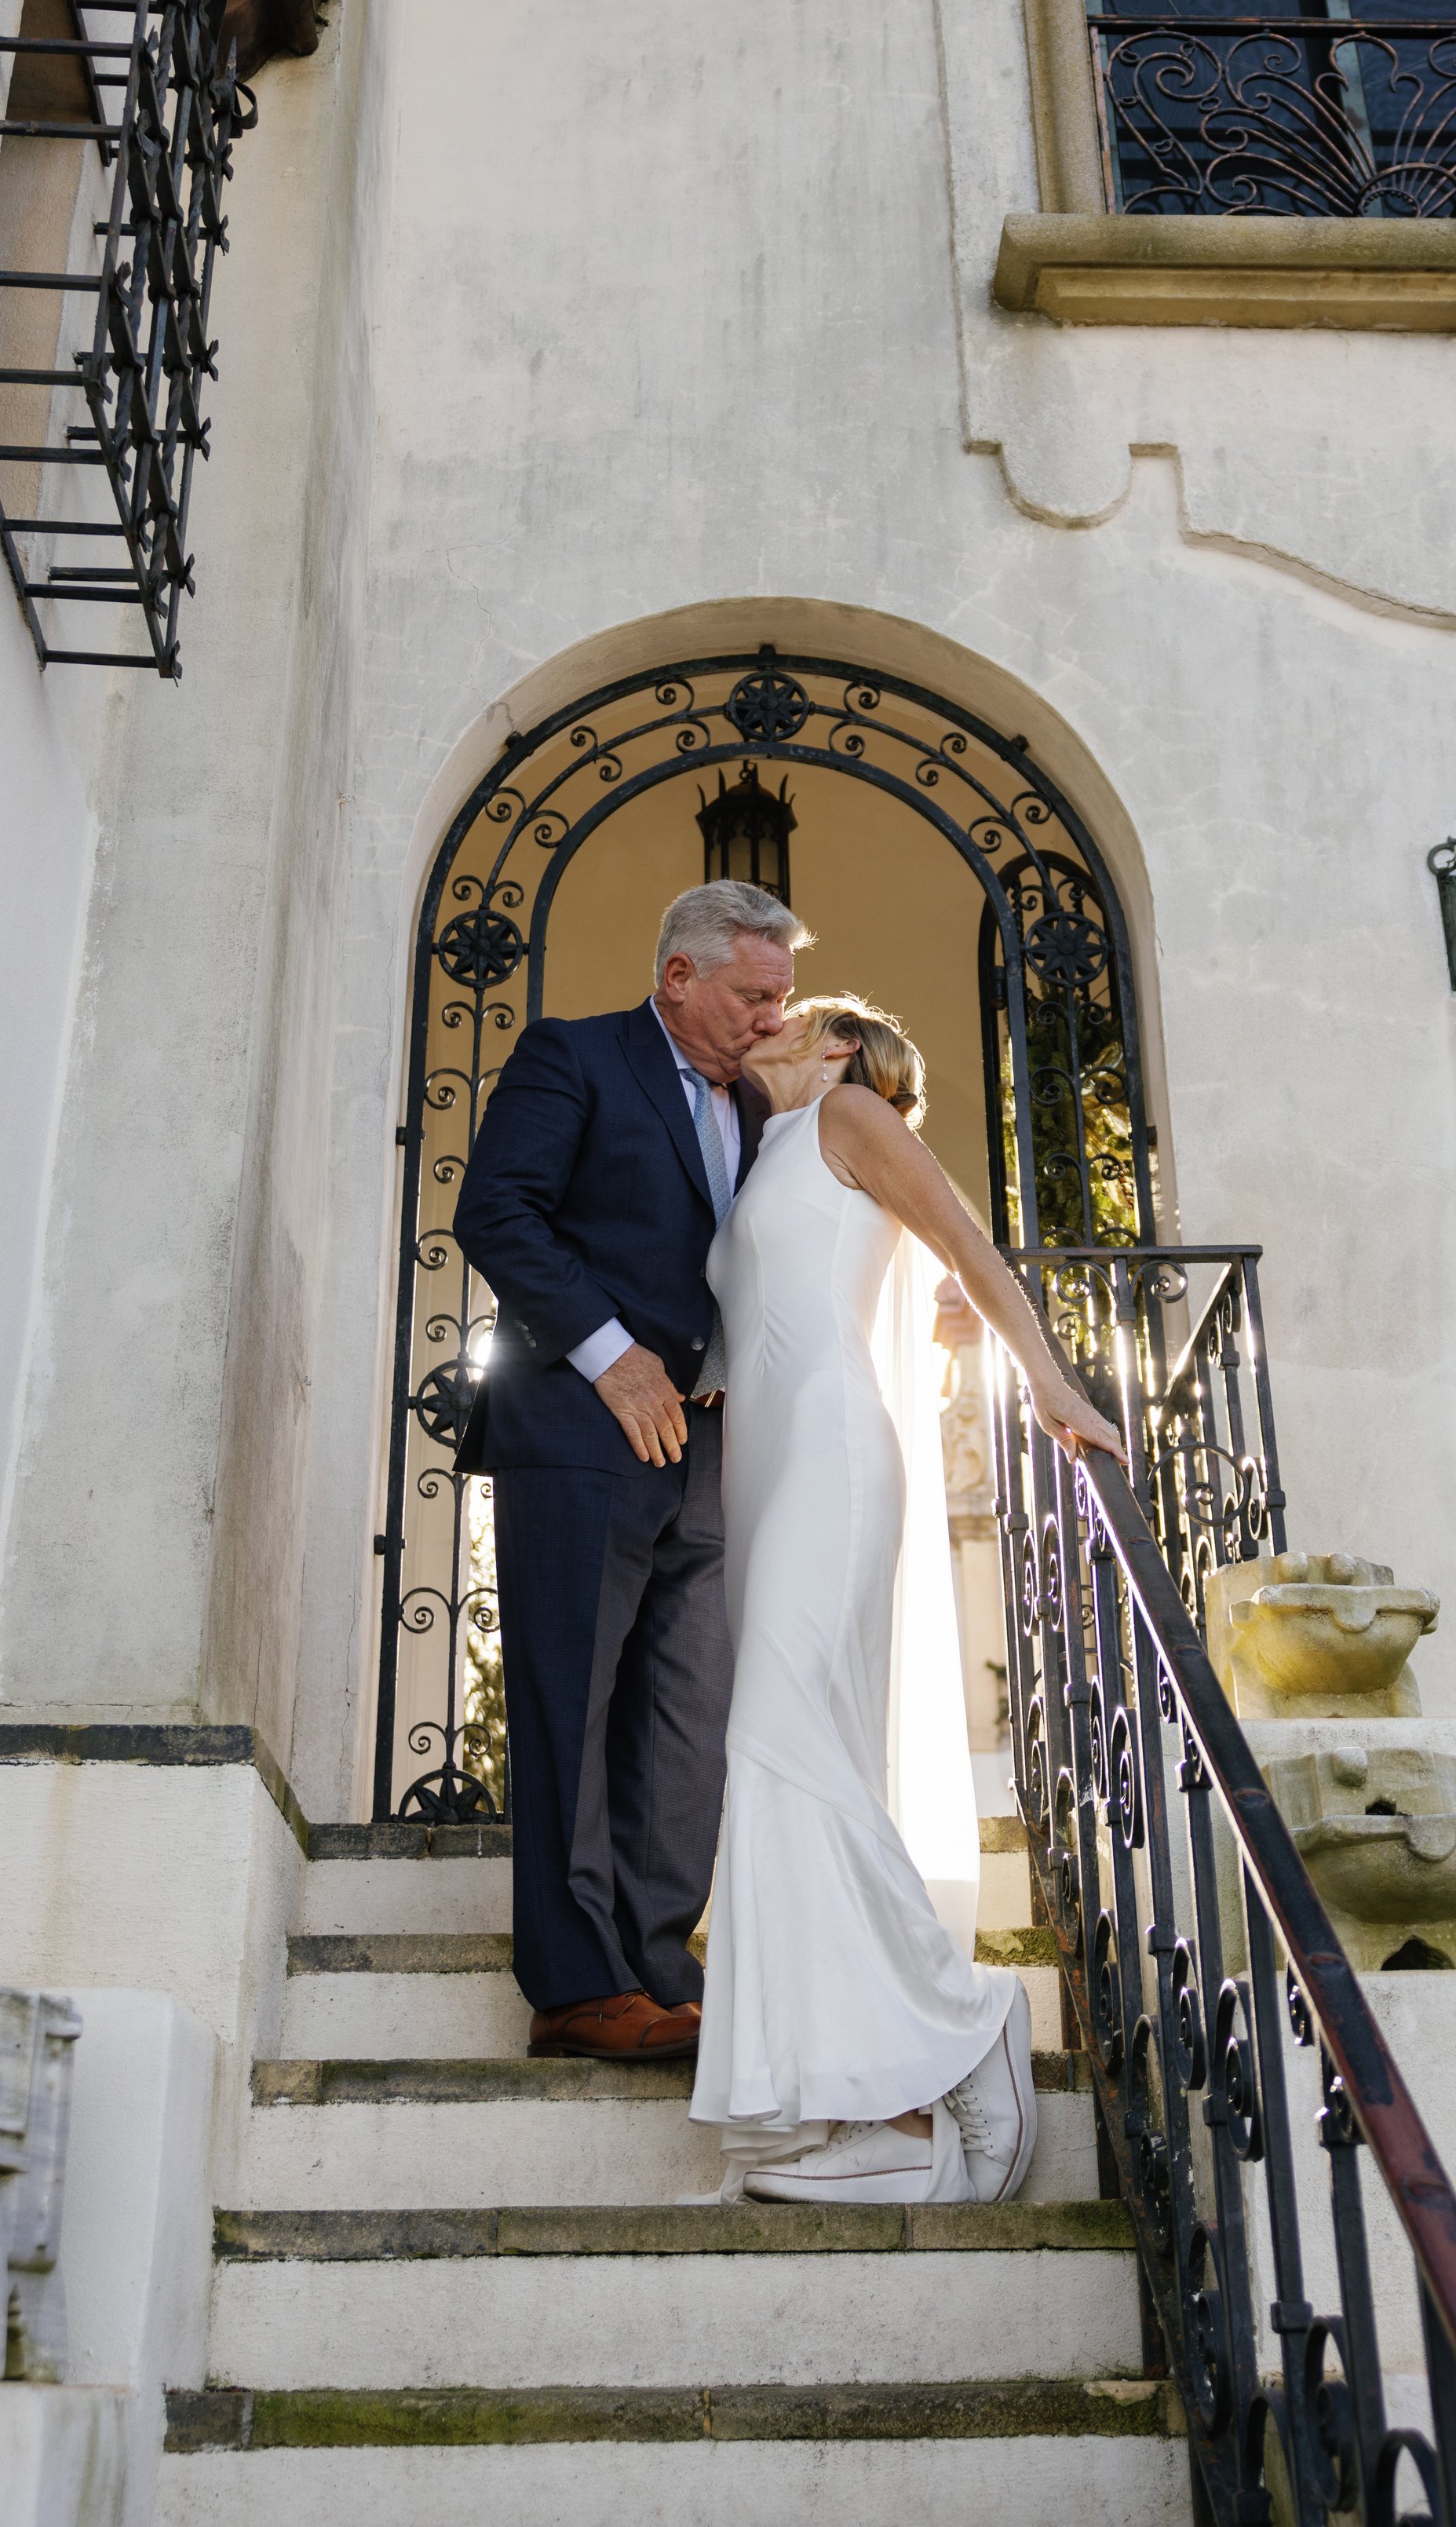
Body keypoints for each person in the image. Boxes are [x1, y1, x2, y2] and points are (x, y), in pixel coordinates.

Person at [691, 995, 1126, 2202]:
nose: (764, 1019)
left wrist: (1047, 1384)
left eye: (791, 1011)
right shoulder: (755, 1147)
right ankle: (834, 2093)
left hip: (831, 1449)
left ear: (838, 1045)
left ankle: (966, 2014)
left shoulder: (851, 1115)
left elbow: (967, 1248)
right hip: (762, 1468)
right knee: (794, 1759)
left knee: (778, 1739)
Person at [452, 880, 809, 2060]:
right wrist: (614, 1361)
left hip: (709, 1446)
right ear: (679, 978)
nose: (772, 1018)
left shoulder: (762, 1109)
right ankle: (573, 1987)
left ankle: (659, 1967)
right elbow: (500, 1214)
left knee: (685, 1712)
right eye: (755, 995)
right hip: (578, 1427)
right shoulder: (575, 1058)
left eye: (783, 997)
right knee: (572, 1701)